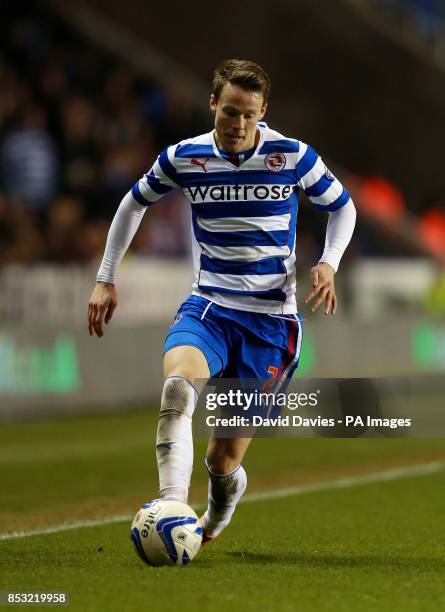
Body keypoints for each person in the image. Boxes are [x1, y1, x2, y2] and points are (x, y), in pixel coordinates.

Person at [87, 59, 356, 544]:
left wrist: (330, 262)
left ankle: (213, 516)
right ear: (213, 104)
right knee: (177, 391)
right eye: (230, 112)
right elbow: (134, 202)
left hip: (270, 327)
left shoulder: (292, 156)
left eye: (249, 115)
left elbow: (342, 207)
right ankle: (171, 504)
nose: (238, 124)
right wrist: (106, 277)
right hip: (209, 308)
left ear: (263, 112)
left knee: (222, 461)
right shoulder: (185, 157)